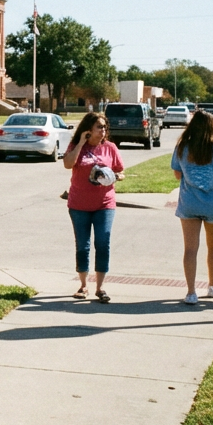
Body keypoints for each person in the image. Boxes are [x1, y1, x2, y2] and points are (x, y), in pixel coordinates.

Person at [62, 112, 124, 303]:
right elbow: (67, 164)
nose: (103, 131)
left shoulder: (110, 148)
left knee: (103, 243)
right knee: (83, 245)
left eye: (104, 127)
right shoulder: (76, 146)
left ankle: (100, 287)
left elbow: (120, 171)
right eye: (99, 127)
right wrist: (81, 143)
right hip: (79, 204)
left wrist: (114, 177)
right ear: (88, 129)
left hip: (104, 204)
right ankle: (83, 285)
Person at [171, 111, 213, 304]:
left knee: (190, 248)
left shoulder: (182, 147)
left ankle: (191, 292)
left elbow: (177, 175)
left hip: (189, 202)